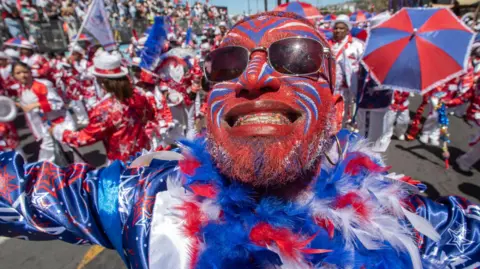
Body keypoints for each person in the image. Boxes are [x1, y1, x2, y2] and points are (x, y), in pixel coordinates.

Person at [0, 12, 479, 269]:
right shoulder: (141, 204)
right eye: (226, 65)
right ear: (207, 108)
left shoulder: (413, 225)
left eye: (296, 57)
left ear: (335, 114)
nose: (252, 79)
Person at [52, 51, 156, 163]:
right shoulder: (138, 94)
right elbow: (150, 115)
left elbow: (84, 138)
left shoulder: (105, 109)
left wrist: (60, 132)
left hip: (124, 163)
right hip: (145, 152)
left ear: (101, 81)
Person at [11, 61, 74, 162]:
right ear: (14, 76)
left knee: (65, 151)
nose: (23, 75)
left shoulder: (42, 85)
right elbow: (28, 107)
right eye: (18, 73)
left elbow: (58, 103)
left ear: (30, 72)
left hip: (60, 122)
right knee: (53, 153)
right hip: (45, 125)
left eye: (25, 72)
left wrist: (36, 105)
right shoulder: (22, 89)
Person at [329, 14, 364, 125]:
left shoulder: (356, 45)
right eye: (336, 28)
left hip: (348, 88)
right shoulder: (326, 43)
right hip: (330, 88)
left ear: (347, 30)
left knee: (344, 115)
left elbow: (362, 64)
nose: (338, 30)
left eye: (341, 28)